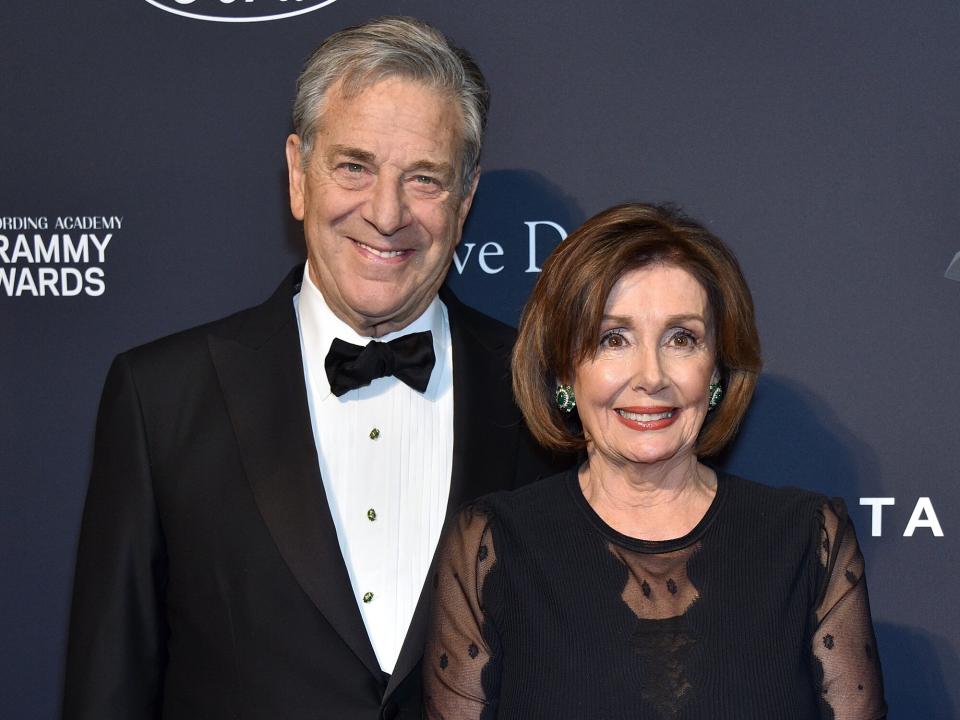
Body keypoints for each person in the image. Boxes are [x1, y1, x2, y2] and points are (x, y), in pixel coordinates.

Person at [63, 16, 563, 720]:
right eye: (354, 166)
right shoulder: (161, 399)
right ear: (299, 174)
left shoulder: (541, 393)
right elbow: (106, 695)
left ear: (465, 199)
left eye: (423, 178)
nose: (386, 214)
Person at [424, 203, 886, 719]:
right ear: (563, 372)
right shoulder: (493, 546)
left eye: (681, 338)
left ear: (716, 370)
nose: (652, 376)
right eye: (612, 339)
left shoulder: (808, 539)